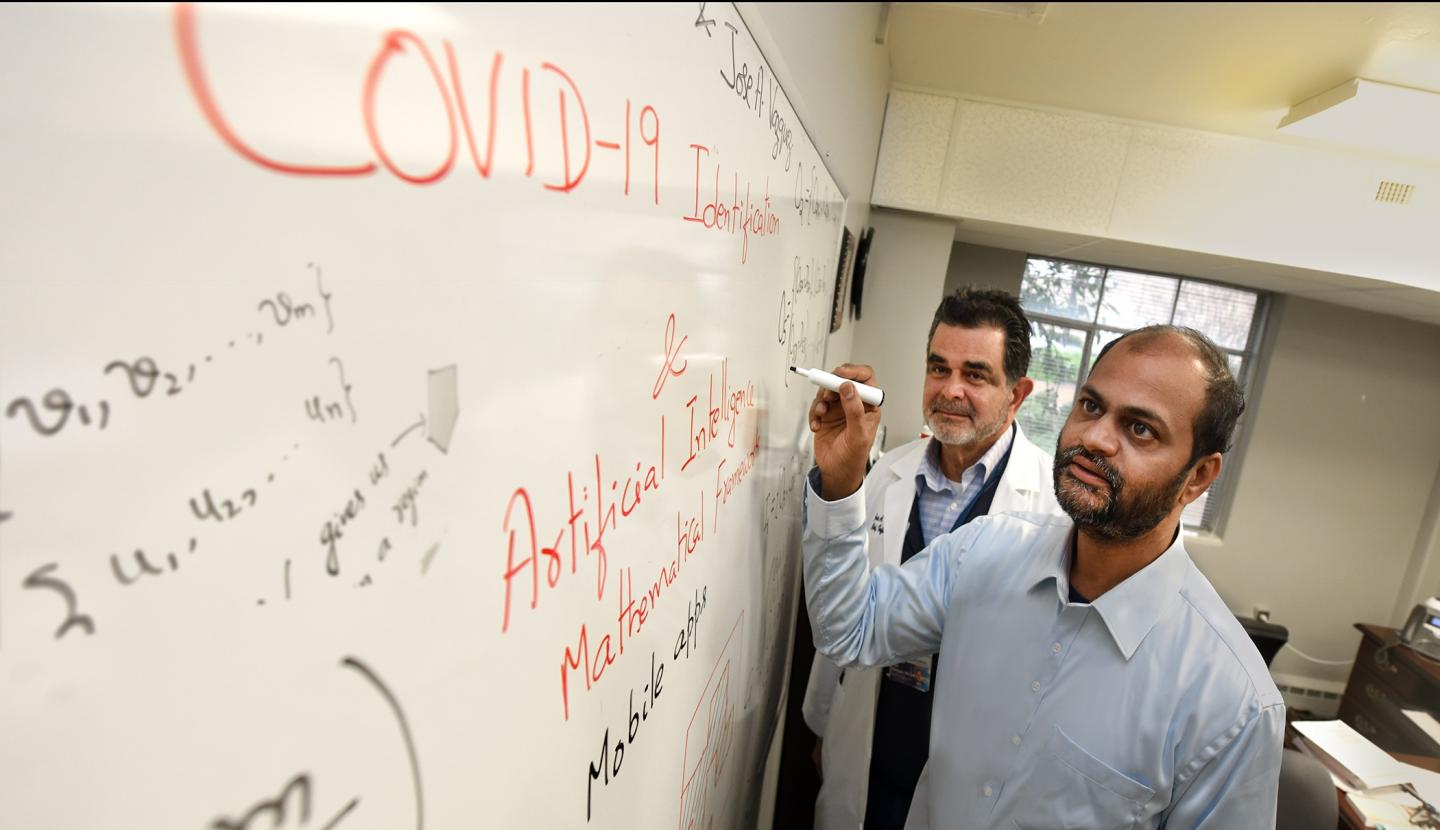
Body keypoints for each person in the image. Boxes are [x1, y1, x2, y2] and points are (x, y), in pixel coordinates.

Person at [802, 325, 1284, 829]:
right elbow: (847, 629)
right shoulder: (983, 552)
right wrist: (839, 480)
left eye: (1141, 428)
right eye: (1092, 406)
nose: (1095, 437)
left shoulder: (1233, 706)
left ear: (1200, 476)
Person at [800, 288, 1064, 830]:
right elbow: (843, 608)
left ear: (1017, 395)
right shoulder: (883, 476)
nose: (950, 390)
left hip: (971, 778)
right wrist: (825, 726)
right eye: (938, 368)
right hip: (871, 746)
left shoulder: (1055, 511)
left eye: (976, 375)